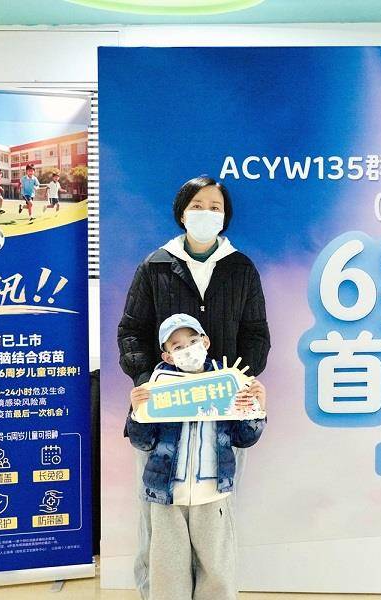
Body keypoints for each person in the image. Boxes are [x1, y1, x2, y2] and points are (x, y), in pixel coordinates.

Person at [118, 175, 270, 600]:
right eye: (197, 206)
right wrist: (152, 388)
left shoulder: (240, 268)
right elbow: (131, 331)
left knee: (215, 522)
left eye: (215, 207)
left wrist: (239, 383)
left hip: (221, 417)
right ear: (182, 213)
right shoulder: (155, 266)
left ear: (225, 217)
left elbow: (257, 333)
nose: (206, 213)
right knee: (158, 523)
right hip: (163, 418)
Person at [126, 313, 266, 600]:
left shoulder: (229, 383)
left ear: (206, 341)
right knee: (167, 574)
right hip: (166, 496)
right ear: (167, 356)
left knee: (217, 571)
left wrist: (257, 409)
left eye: (192, 341)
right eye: (177, 346)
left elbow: (244, 438)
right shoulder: (157, 388)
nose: (187, 349)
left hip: (213, 493)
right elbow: (143, 442)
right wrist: (137, 413)